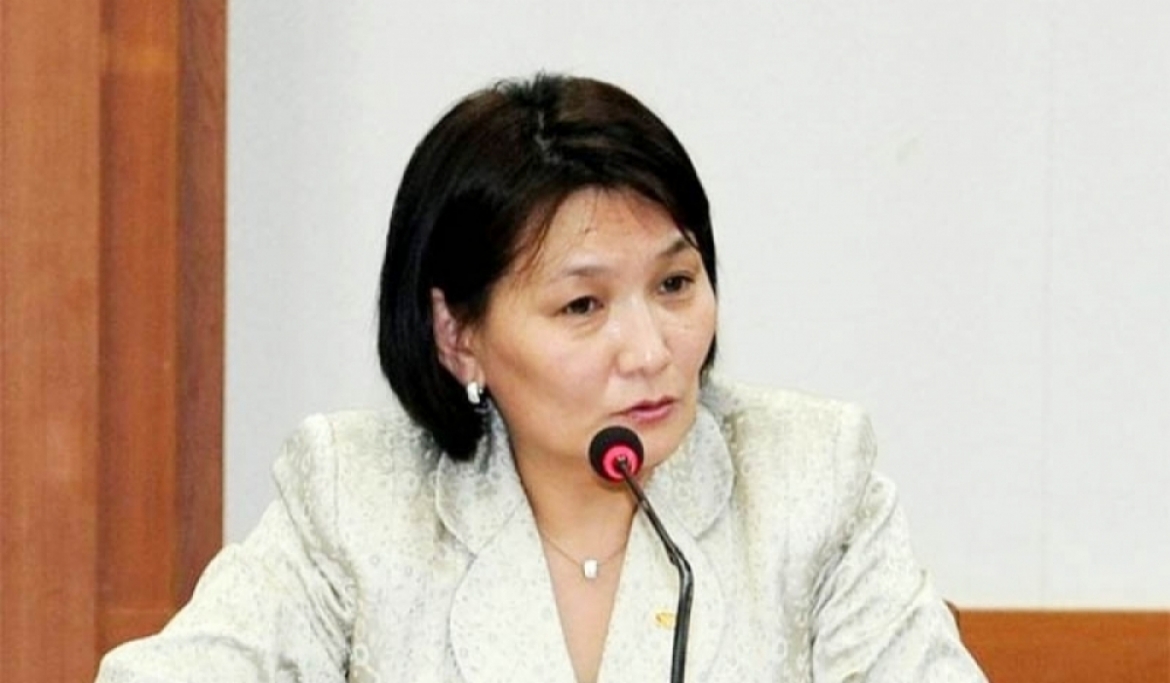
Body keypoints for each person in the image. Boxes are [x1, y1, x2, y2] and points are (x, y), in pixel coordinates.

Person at [96, 73, 987, 682]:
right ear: (459, 336)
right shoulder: (357, 497)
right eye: (582, 307)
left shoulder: (807, 477)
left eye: (675, 284)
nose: (649, 349)